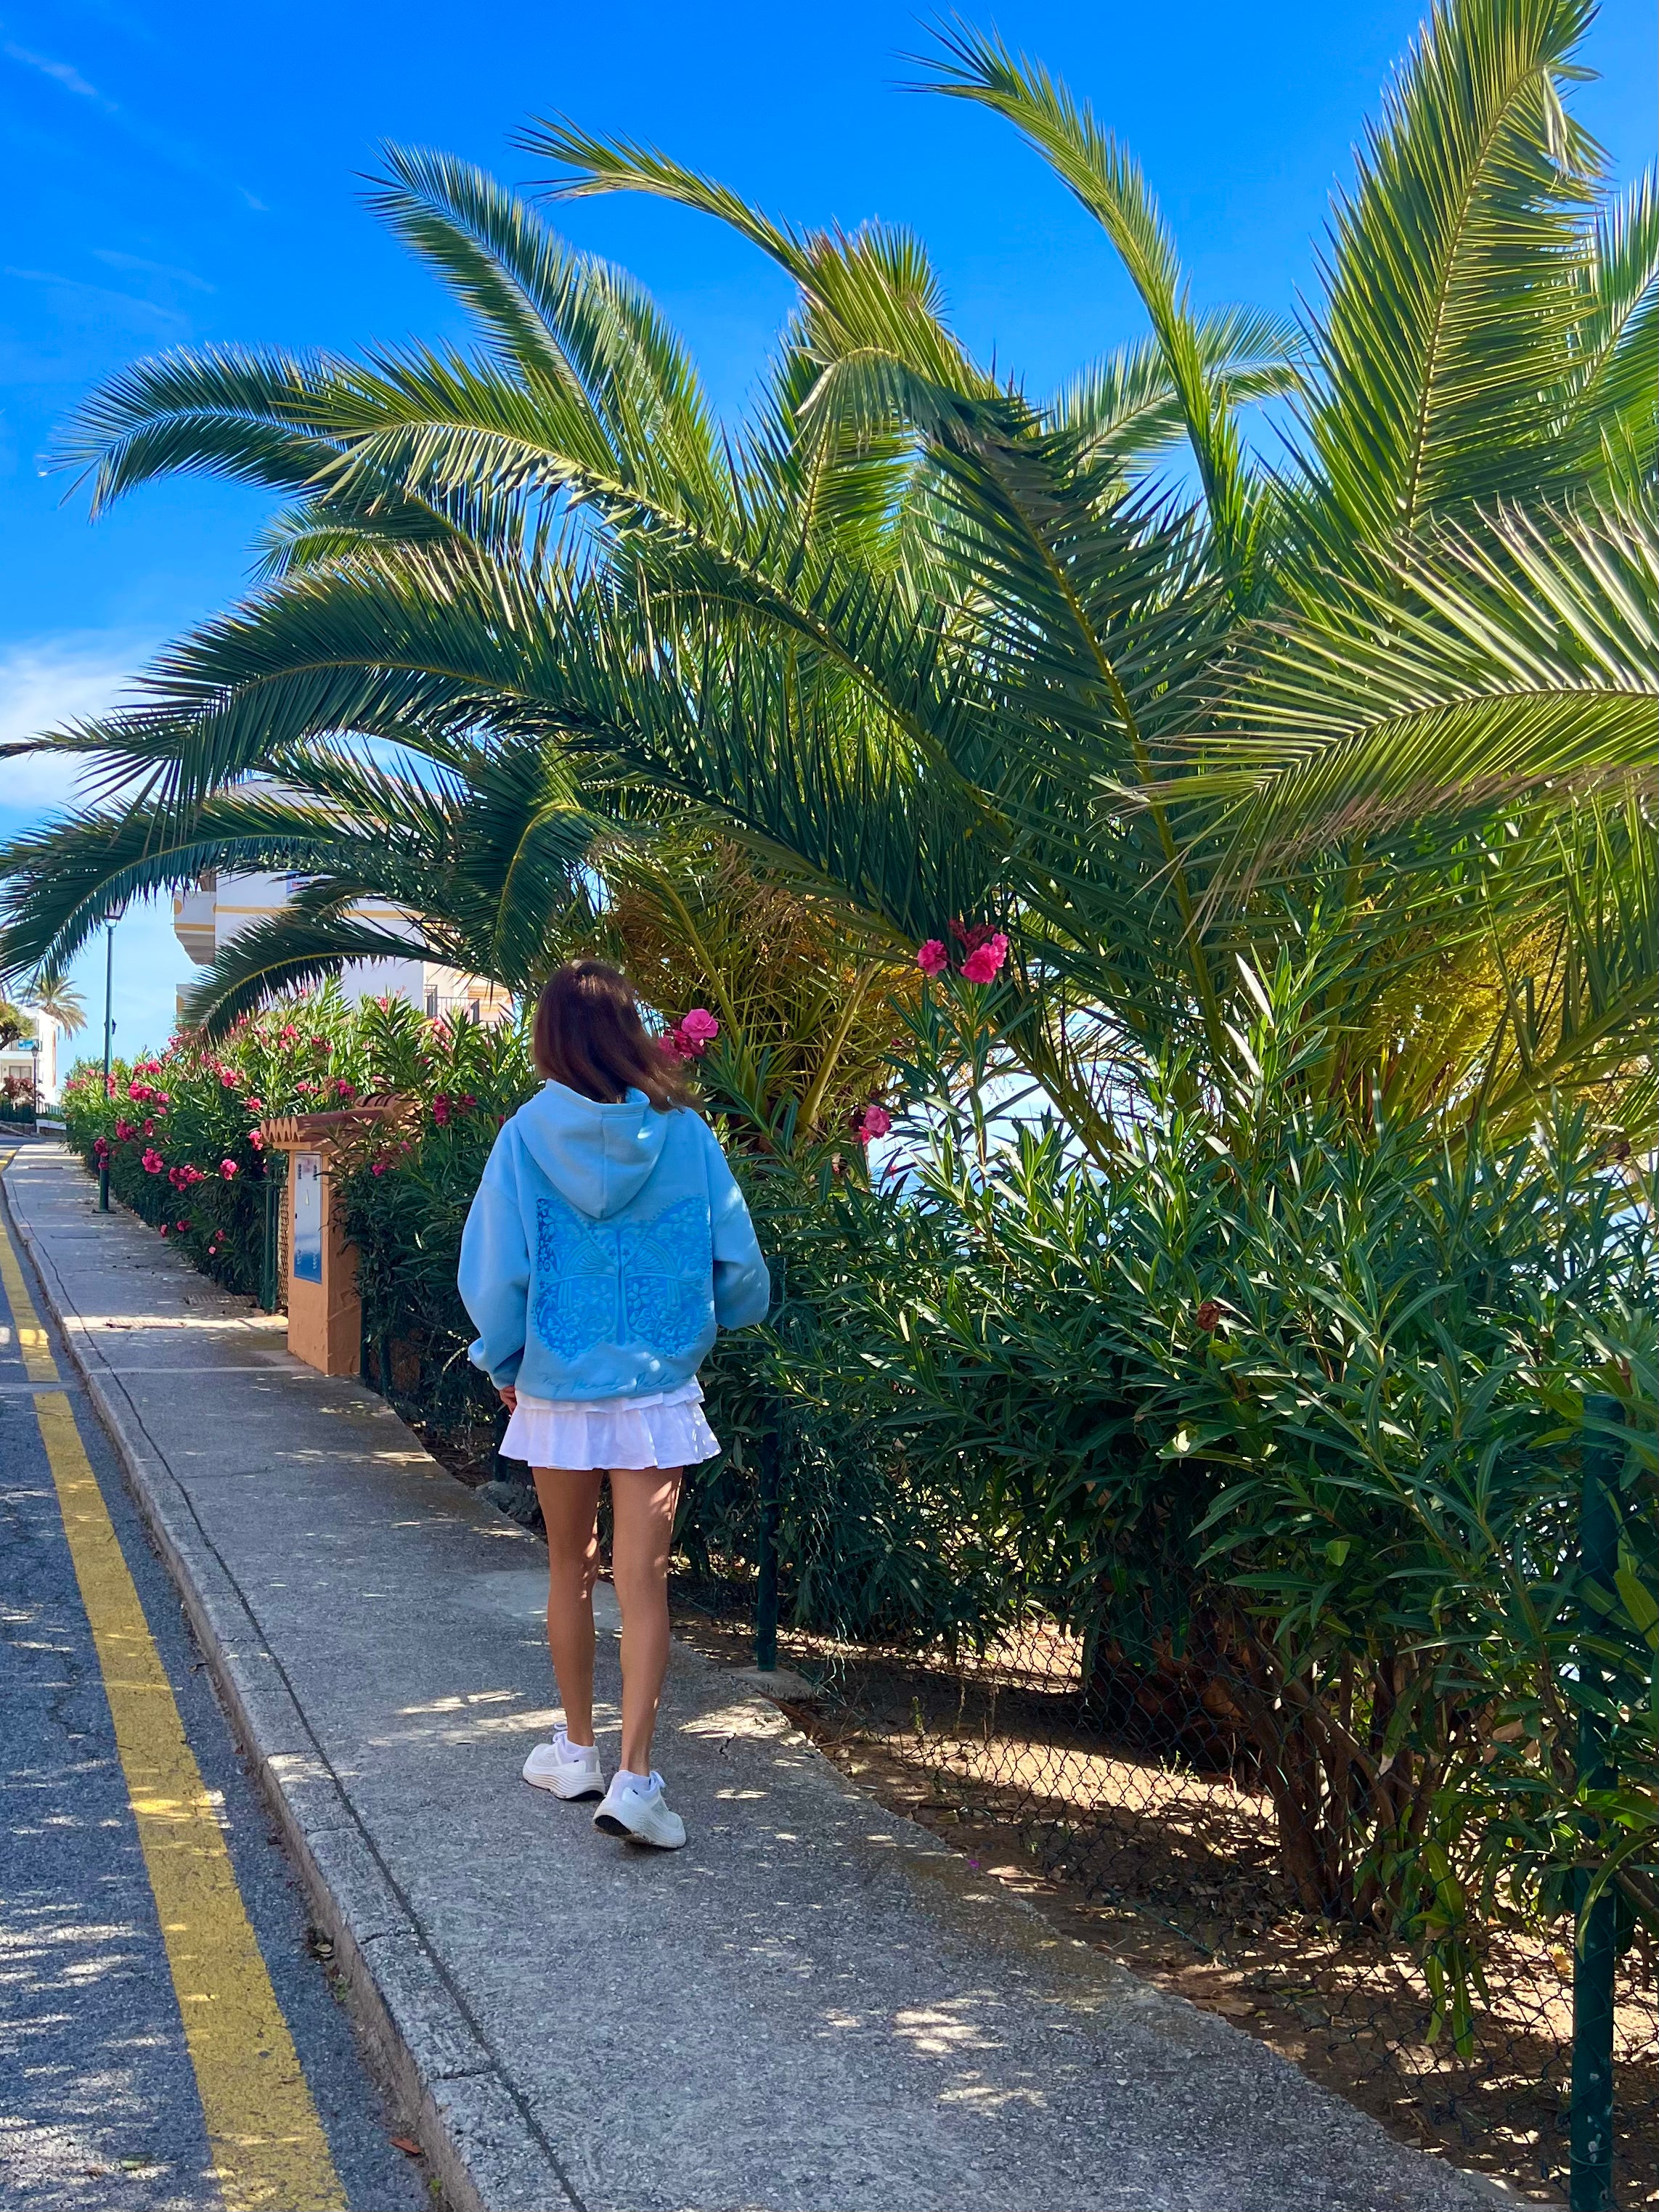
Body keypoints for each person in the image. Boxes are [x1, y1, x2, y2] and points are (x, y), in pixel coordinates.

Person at [458, 961, 769, 1849]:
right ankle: (636, 1778)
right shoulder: (687, 1135)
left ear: (550, 1037)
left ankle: (575, 1749)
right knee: (643, 1585)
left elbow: (496, 1266)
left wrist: (505, 1356)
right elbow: (739, 1265)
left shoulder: (524, 1135)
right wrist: (717, 1321)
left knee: (570, 1569)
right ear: (631, 1031)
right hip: (656, 1389)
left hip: (555, 1388)